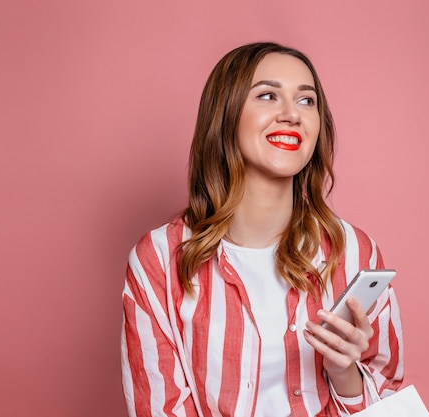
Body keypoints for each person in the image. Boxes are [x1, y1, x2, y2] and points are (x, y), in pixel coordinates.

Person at [121, 42, 403, 417]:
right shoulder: (159, 260)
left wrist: (342, 371)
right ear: (226, 114)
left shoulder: (354, 251)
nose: (291, 114)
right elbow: (159, 407)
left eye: (307, 101)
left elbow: (387, 399)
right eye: (268, 95)